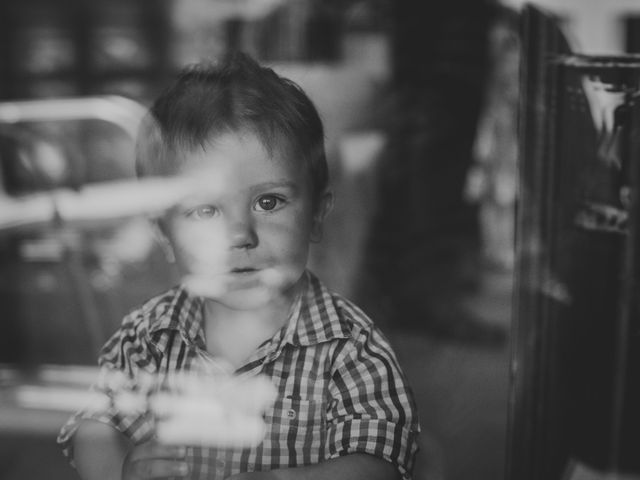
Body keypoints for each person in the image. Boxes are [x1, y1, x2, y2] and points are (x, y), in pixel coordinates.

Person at [57, 51, 420, 480]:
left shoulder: (352, 349)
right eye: (205, 211)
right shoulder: (147, 338)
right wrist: (120, 471)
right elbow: (93, 429)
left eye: (269, 202)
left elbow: (380, 467)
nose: (240, 235)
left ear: (317, 215)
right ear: (163, 233)